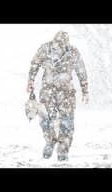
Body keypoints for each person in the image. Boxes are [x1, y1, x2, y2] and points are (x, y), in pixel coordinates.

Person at [27, 31, 89, 161]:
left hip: (66, 94)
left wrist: (85, 90)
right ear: (54, 41)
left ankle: (63, 150)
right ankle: (50, 141)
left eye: (63, 43)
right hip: (47, 92)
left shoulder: (72, 51)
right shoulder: (45, 49)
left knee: (67, 123)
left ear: (67, 42)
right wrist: (31, 80)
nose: (60, 46)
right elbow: (35, 64)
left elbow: (81, 70)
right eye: (58, 43)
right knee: (46, 120)